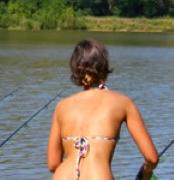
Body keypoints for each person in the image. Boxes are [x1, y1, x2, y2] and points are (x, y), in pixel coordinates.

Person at [47, 39, 159, 180]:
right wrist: (146, 172)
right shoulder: (123, 103)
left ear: (75, 68)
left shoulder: (62, 106)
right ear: (104, 66)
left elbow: (53, 164)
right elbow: (152, 158)